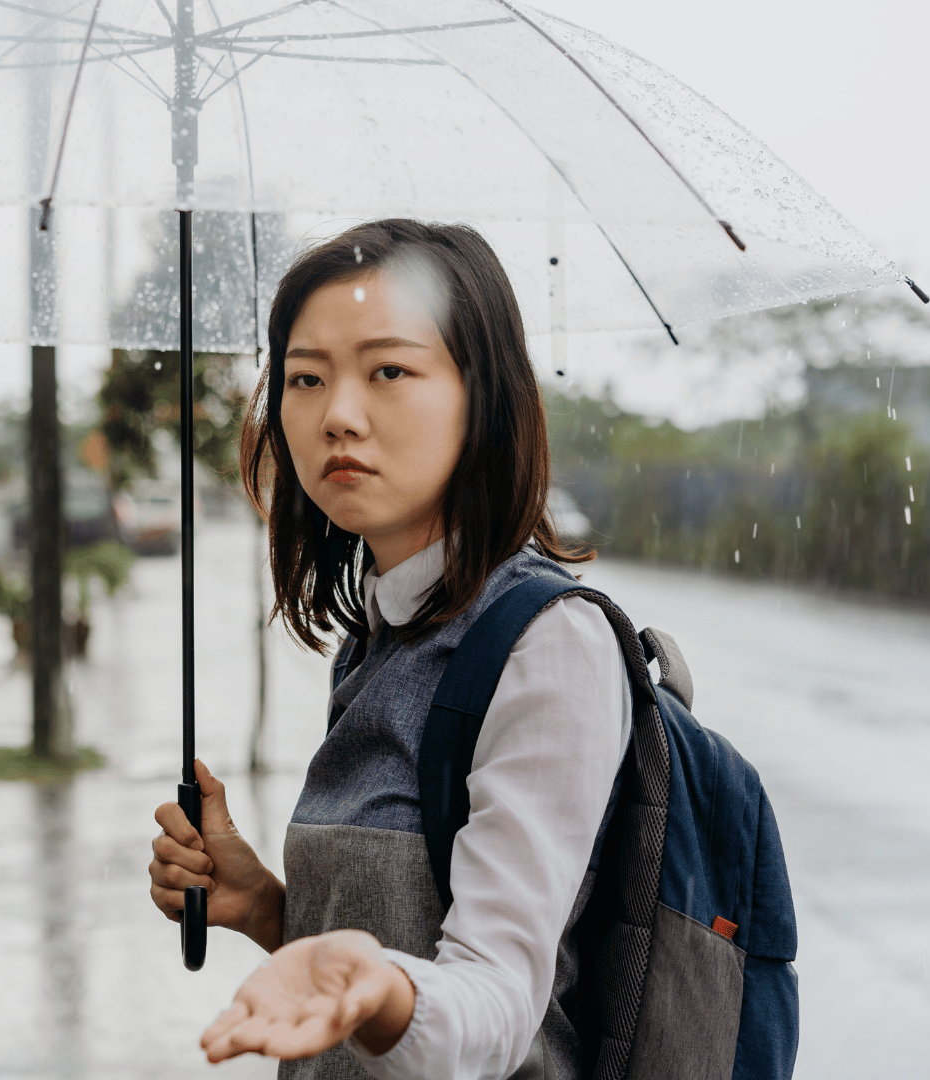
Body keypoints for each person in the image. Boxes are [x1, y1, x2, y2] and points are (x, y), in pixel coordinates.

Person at [147, 219, 633, 1080]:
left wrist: (377, 990)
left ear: (482, 398)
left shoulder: (545, 646)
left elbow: (495, 1006)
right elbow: (394, 940)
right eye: (304, 377)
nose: (337, 414)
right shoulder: (380, 633)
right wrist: (267, 908)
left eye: (389, 371)